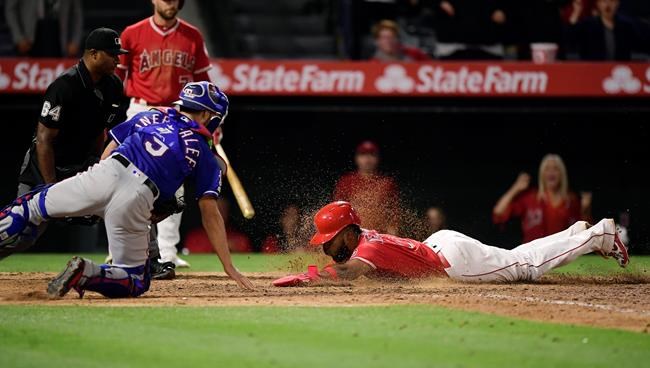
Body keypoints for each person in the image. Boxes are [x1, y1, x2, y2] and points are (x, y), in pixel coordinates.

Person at [0, 81, 254, 298]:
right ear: (210, 117)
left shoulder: (151, 115)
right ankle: (86, 273)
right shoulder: (206, 158)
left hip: (104, 173)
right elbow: (210, 213)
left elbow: (110, 148)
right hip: (138, 198)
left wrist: (94, 197)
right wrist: (228, 266)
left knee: (31, 204)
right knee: (135, 279)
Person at [272, 201, 628, 287]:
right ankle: (577, 233)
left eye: (329, 241)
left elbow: (349, 272)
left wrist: (311, 277)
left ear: (349, 232)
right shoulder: (363, 239)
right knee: (516, 257)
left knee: (525, 267)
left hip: (454, 263)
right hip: (442, 246)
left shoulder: (366, 249)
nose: (326, 249)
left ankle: (598, 235)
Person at [0, 27, 128, 261]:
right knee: (22, 232)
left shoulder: (113, 86)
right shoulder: (65, 85)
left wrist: (98, 166)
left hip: (78, 165)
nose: (118, 60)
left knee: (122, 200)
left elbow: (102, 130)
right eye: (113, 54)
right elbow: (44, 139)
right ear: (94, 54)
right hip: (44, 167)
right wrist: (51, 187)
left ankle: (145, 259)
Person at [115, 0, 215, 269]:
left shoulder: (192, 35)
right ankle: (119, 248)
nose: (169, 2)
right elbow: (116, 77)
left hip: (177, 114)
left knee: (175, 184)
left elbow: (204, 83)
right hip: (140, 109)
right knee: (125, 179)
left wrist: (213, 123)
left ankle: (168, 251)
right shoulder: (132, 33)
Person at [492, 154, 592, 243]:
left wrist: (585, 210)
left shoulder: (571, 200)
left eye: (556, 168)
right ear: (542, 174)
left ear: (562, 174)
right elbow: (499, 212)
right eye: (547, 168)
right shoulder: (530, 198)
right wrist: (515, 188)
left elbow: (585, 232)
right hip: (531, 254)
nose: (551, 172)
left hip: (560, 256)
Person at [333, 140, 400, 235]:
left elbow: (394, 217)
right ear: (356, 158)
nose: (367, 158)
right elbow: (338, 213)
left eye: (372, 154)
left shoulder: (387, 183)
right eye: (363, 154)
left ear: (378, 158)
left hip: (378, 237)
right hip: (352, 236)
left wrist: (392, 239)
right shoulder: (346, 181)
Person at [4, 0, 83, 57]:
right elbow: (10, 9)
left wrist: (75, 40)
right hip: (30, 37)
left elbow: (77, 13)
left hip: (60, 36)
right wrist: (19, 37)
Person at [569, 0, 641, 61]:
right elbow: (571, 40)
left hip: (619, 70)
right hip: (593, 70)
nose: (608, 5)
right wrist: (576, 13)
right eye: (604, 1)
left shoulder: (626, 26)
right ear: (598, 4)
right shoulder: (588, 25)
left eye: (612, 1)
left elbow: (640, 44)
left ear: (617, 3)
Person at [183, 198, 253, 254]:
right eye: (214, 210)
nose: (218, 214)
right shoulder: (194, 237)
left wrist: (232, 248)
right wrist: (220, 247)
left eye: (222, 210)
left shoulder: (239, 238)